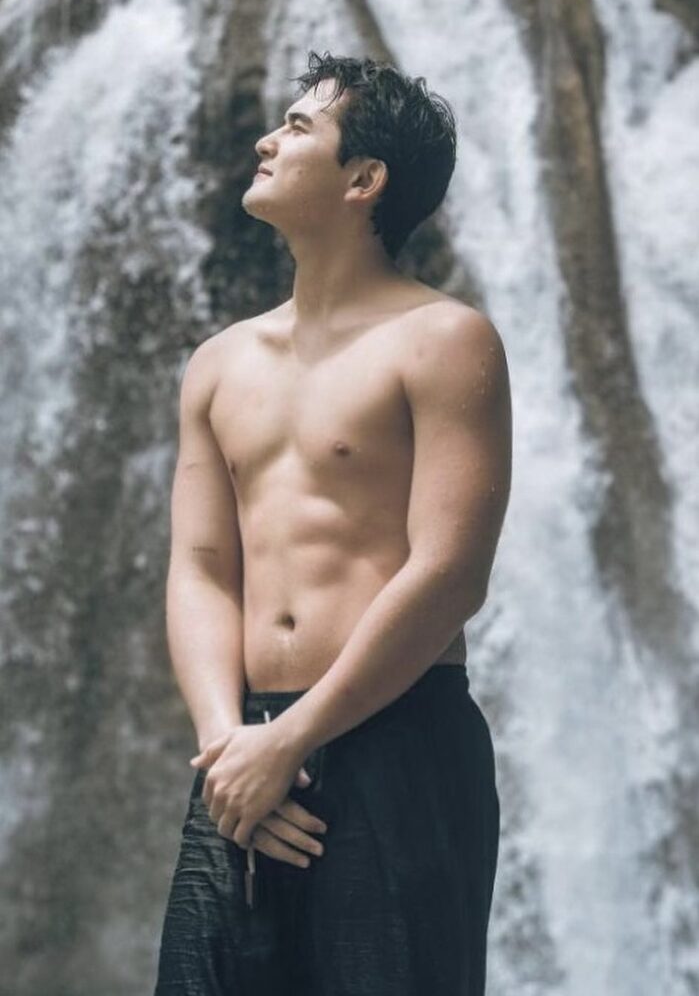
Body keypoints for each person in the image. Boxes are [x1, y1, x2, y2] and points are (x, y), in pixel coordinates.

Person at [153, 49, 511, 995]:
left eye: (298, 126)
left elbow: (449, 571)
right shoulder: (218, 362)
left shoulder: (443, 339)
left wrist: (293, 740)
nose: (267, 141)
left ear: (364, 180)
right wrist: (231, 744)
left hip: (395, 737)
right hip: (238, 754)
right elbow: (200, 565)